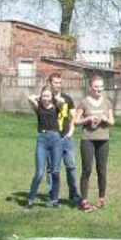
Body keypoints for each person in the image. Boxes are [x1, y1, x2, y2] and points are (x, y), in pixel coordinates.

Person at [72, 74, 114, 211]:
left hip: (103, 140)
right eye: (96, 87)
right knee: (87, 169)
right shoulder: (84, 102)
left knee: (101, 170)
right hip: (88, 139)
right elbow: (76, 121)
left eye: (101, 87)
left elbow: (112, 122)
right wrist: (88, 119)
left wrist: (105, 119)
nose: (99, 89)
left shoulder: (107, 102)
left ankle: (101, 198)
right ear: (91, 87)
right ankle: (84, 200)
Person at [46, 72, 82, 206]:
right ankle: (52, 196)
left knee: (71, 167)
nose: (58, 85)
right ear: (49, 83)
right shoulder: (46, 99)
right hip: (52, 138)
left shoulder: (68, 99)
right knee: (52, 169)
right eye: (55, 82)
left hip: (66, 138)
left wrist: (71, 132)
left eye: (59, 83)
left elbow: (74, 117)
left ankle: (74, 195)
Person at [25, 86, 65, 207]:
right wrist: (39, 98)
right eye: (44, 96)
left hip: (55, 139)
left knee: (55, 172)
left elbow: (62, 101)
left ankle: (54, 200)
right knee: (39, 173)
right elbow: (30, 98)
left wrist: (54, 98)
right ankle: (30, 199)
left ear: (51, 97)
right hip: (42, 140)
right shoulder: (38, 108)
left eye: (48, 96)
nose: (46, 98)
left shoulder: (56, 107)